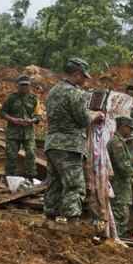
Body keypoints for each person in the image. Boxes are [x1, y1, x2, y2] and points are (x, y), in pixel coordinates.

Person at [43, 57, 94, 222]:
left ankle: (49, 222)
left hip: (52, 144)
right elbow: (83, 120)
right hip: (70, 146)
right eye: (84, 76)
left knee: (54, 184)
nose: (85, 80)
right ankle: (72, 225)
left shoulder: (53, 91)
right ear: (78, 74)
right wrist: (95, 116)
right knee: (74, 186)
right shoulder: (75, 93)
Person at [107, 116, 133, 237]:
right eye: (129, 129)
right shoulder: (116, 143)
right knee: (120, 212)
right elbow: (123, 164)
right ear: (123, 127)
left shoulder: (119, 142)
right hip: (119, 184)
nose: (130, 132)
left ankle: (117, 237)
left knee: (122, 212)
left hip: (122, 183)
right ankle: (116, 238)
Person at [0, 75, 41, 179]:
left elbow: (38, 115)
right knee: (11, 155)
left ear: (30, 86)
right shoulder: (11, 98)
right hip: (13, 132)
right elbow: (2, 113)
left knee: (31, 153)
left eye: (26, 85)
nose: (24, 87)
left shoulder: (34, 99)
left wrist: (31, 120)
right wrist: (13, 119)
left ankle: (30, 177)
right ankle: (9, 177)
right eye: (22, 85)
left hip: (28, 132)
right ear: (17, 85)